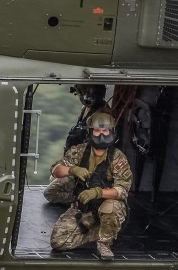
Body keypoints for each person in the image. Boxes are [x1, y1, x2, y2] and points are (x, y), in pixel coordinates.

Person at [44, 111, 132, 260]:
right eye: (97, 131)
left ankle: (104, 243)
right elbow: (56, 170)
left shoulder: (117, 158)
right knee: (58, 242)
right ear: (90, 132)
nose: (102, 135)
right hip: (84, 207)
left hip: (107, 205)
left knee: (112, 206)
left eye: (105, 131)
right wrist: (72, 169)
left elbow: (122, 190)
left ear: (111, 132)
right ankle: (100, 229)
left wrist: (98, 192)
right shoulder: (79, 151)